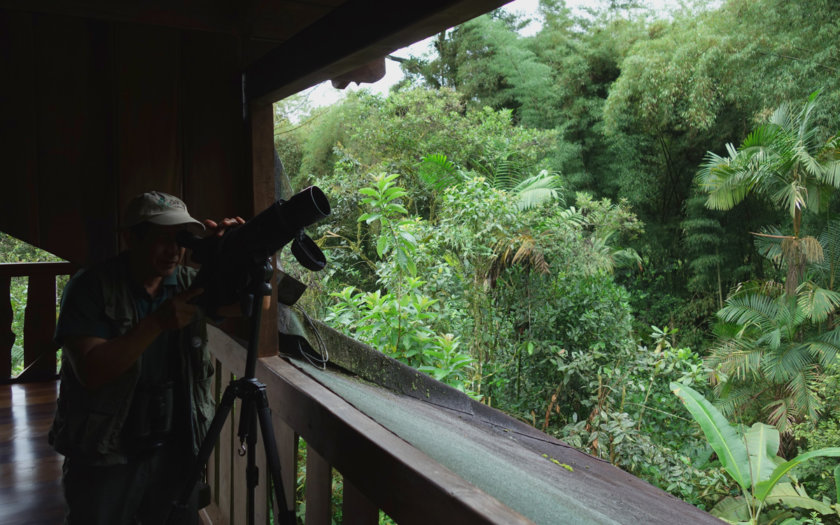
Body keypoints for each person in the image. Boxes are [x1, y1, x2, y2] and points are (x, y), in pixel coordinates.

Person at [49, 191, 244, 525]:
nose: (175, 251)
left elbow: (255, 307)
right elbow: (91, 372)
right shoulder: (92, 287)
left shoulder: (188, 283)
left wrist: (242, 253)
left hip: (175, 445)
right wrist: (156, 324)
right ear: (130, 238)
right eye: (161, 239)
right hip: (106, 449)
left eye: (181, 239)